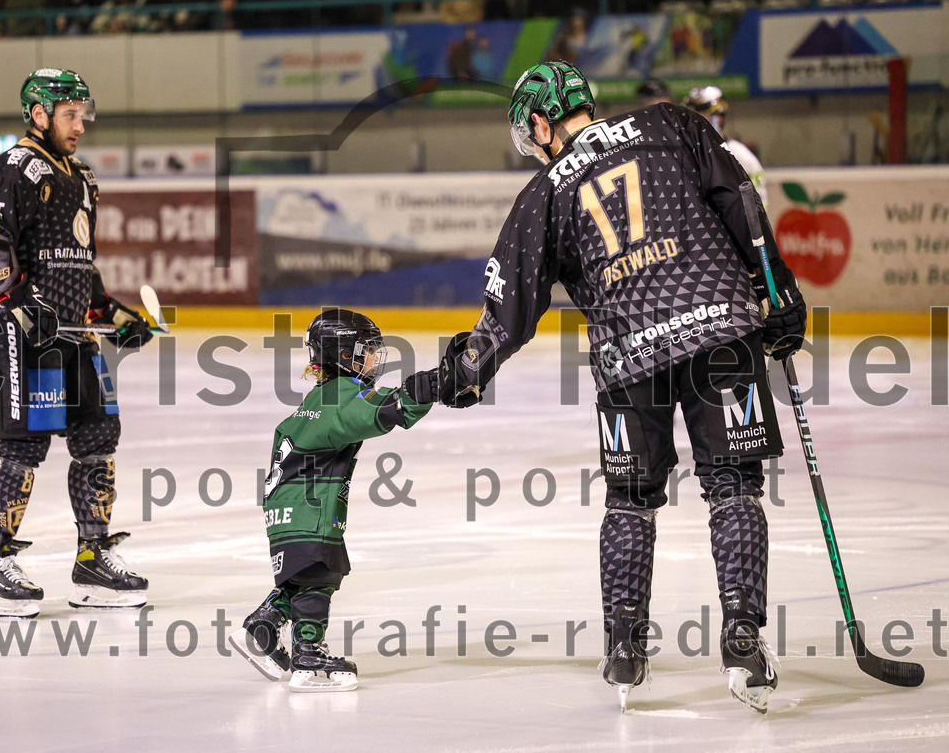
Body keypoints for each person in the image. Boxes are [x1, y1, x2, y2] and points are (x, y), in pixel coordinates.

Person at [439, 61, 806, 713]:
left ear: (544, 122)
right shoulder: (672, 123)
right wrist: (776, 288)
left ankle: (625, 648)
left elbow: (507, 312)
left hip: (626, 350)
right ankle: (744, 638)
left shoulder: (544, 191)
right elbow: (740, 200)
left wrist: (467, 370)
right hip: (718, 325)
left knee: (630, 501)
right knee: (734, 486)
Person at [0, 68, 153, 618]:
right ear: (38, 115)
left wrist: (115, 315)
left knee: (99, 434)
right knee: (23, 445)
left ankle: (92, 558)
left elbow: (79, 268)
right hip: (18, 329)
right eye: (69, 115)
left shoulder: (82, 178)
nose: (80, 125)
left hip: (69, 331)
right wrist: (18, 301)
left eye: (82, 114)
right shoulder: (15, 168)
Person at [229, 309, 438, 692]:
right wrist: (435, 385)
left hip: (289, 503)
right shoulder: (338, 395)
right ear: (342, 355)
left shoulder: (321, 395)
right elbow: (386, 412)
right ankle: (307, 652)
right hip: (308, 505)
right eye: (366, 351)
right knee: (319, 573)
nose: (375, 360)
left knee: (310, 570)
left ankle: (264, 624)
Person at [684, 85, 768, 209]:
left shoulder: (740, 156)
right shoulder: (686, 154)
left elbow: (759, 205)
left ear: (719, 119)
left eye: (702, 117)